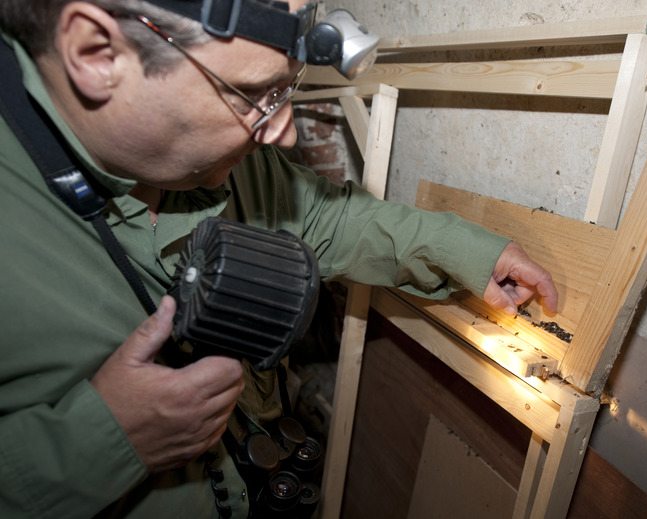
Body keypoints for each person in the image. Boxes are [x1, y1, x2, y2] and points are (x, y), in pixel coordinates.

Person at [0, 0, 558, 517]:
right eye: (254, 95)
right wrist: (101, 442)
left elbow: (320, 218)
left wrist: (467, 253)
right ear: (97, 54)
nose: (284, 132)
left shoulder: (212, 162)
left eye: (287, 87)